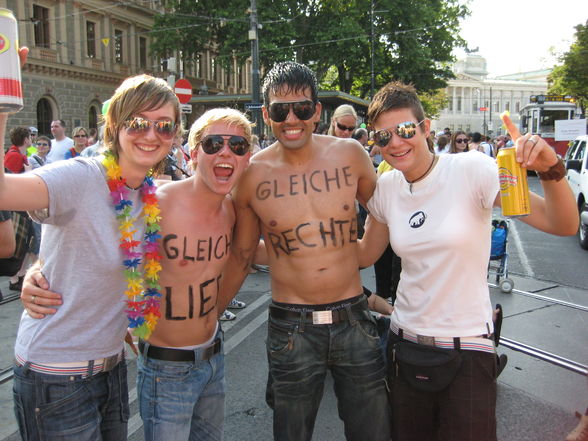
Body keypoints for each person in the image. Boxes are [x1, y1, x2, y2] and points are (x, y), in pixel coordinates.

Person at [358, 81, 578, 441]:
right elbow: (365, 252)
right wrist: (298, 243)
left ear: (425, 128)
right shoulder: (388, 188)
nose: (395, 143)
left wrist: (551, 168)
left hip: (468, 350)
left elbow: (563, 223)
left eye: (404, 130)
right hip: (404, 346)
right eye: (383, 137)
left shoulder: (472, 169)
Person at [2, 48, 181, 440]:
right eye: (138, 122)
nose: (152, 135)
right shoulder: (81, 176)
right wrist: (1, 106)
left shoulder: (149, 195)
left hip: (111, 369)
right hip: (56, 379)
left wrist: (40, 266)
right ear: (114, 125)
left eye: (164, 127)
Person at [218, 61, 390, 441]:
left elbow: (386, 214)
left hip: (354, 319)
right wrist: (208, 317)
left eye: (302, 108)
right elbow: (242, 255)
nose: (291, 118)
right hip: (291, 327)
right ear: (266, 115)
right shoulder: (251, 176)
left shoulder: (351, 156)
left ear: (317, 112)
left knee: (374, 432)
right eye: (280, 110)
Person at [135, 108, 252, 440]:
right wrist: (40, 270)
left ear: (246, 158)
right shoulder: (156, 202)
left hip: (213, 360)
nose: (226, 152)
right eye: (214, 143)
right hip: (165, 370)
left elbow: (246, 255)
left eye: (238, 146)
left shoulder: (230, 211)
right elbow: (95, 240)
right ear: (194, 152)